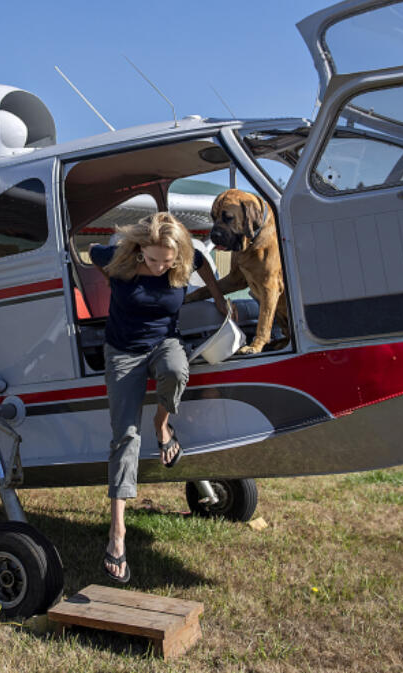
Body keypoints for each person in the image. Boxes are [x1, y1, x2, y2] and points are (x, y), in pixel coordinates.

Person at [89, 212, 232, 584]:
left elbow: (202, 264)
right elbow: (91, 253)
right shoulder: (119, 257)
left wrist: (218, 299)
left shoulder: (186, 258)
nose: (159, 267)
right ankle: (117, 534)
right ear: (140, 250)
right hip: (122, 351)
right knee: (124, 437)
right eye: (152, 260)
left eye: (166, 262)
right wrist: (112, 281)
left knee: (176, 370)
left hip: (164, 343)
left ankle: (163, 425)